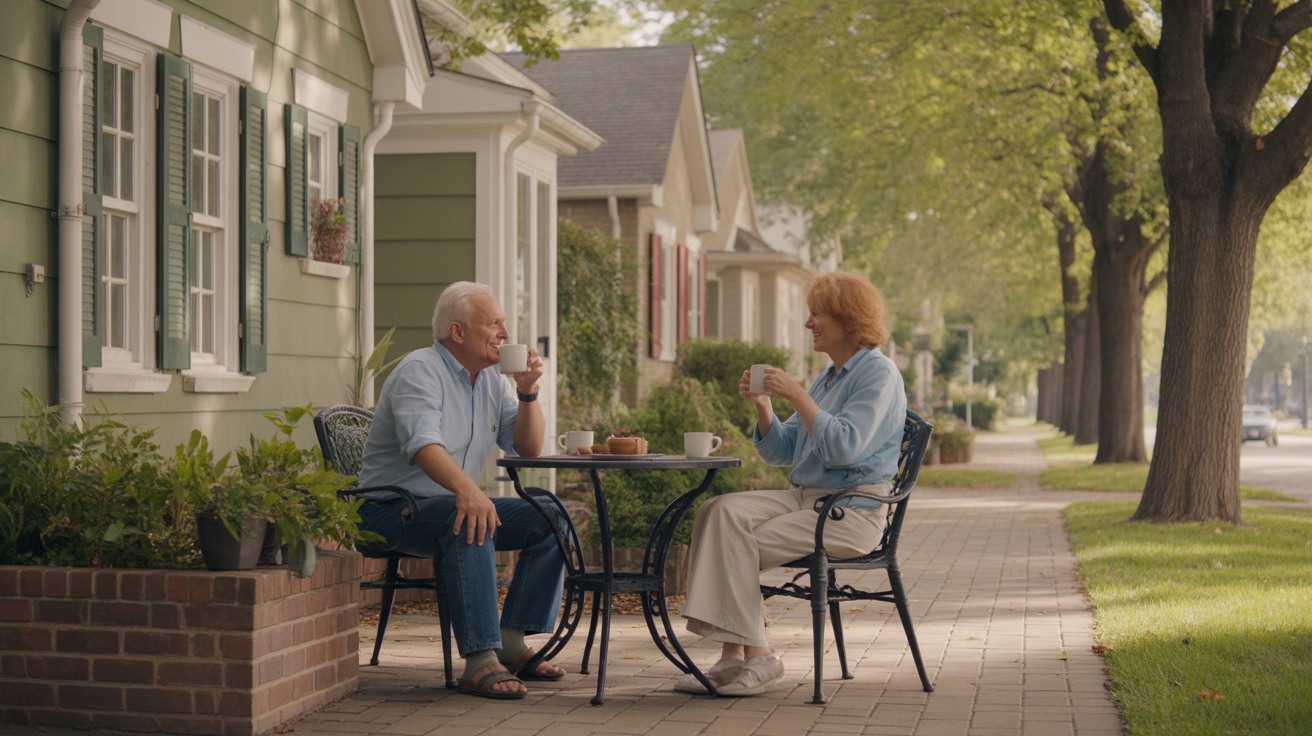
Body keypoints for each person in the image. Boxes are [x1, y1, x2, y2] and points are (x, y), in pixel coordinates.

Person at [678, 272, 907, 697]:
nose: (809, 324)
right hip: (806, 500)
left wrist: (798, 395)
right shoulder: (829, 377)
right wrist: (765, 406)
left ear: (847, 318)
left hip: (850, 511)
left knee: (732, 544)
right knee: (719, 510)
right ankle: (733, 657)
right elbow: (783, 451)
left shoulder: (878, 374)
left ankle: (757, 656)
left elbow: (844, 448)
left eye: (816, 314)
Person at [356, 281, 566, 699]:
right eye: (495, 324)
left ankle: (509, 641)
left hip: (446, 505)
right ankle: (479, 660)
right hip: (386, 510)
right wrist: (469, 491)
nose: (506, 333)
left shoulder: (492, 380)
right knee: (466, 516)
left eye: (504, 323)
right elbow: (422, 445)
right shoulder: (420, 370)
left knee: (550, 516)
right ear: (458, 332)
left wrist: (527, 392)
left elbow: (526, 447)